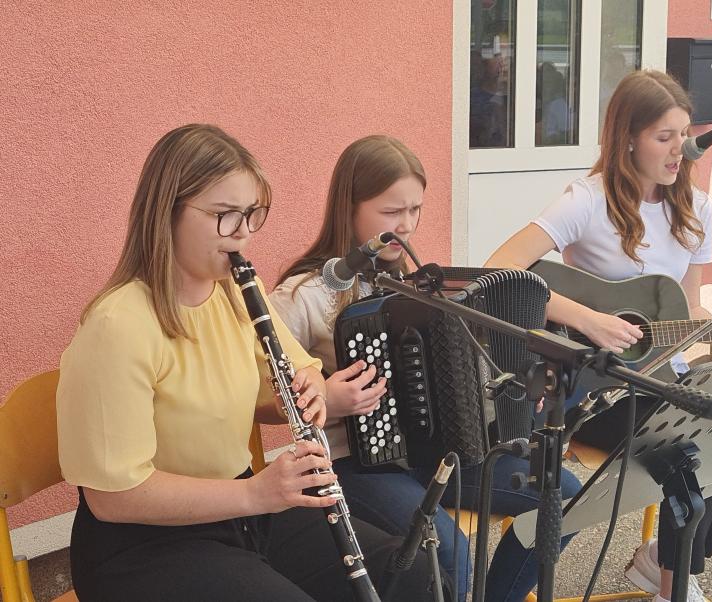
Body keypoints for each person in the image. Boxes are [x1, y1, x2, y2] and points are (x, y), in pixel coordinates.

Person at [56, 124, 438, 602]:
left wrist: (312, 388)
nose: (243, 232)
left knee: (411, 573)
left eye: (253, 214)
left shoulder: (234, 295)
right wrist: (258, 494)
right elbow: (113, 498)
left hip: (240, 512)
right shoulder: (117, 326)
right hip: (144, 545)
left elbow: (300, 370)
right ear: (167, 212)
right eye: (225, 215)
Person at [484, 69, 712, 602]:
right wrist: (587, 319)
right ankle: (675, 585)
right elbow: (499, 271)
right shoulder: (587, 200)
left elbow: (688, 310)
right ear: (628, 139)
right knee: (692, 447)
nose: (680, 150)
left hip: (660, 377)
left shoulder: (695, 208)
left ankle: (666, 563)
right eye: (664, 137)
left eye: (684, 135)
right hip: (593, 391)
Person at [269, 134, 581, 602]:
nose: (407, 225)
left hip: (437, 454)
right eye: (392, 212)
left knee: (563, 497)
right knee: (447, 551)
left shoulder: (417, 286)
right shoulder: (303, 295)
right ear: (348, 208)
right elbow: (259, 397)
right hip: (355, 466)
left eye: (415, 210)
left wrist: (519, 385)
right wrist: (328, 400)